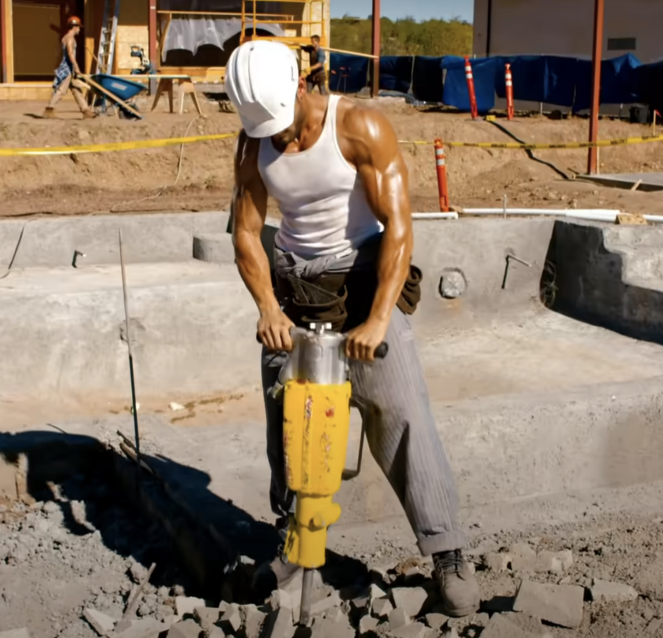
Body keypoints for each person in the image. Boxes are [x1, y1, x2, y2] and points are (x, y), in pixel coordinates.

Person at [224, 40, 480, 618]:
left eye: (281, 123)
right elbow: (244, 232)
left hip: (362, 283)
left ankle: (447, 553)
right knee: (290, 429)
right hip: (294, 293)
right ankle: (295, 541)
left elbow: (398, 226)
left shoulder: (359, 126)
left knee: (402, 414)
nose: (277, 138)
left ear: (299, 85)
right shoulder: (252, 140)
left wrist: (381, 318)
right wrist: (267, 307)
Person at [43, 16, 95, 119]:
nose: (79, 29)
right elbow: (70, 54)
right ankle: (49, 109)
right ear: (75, 27)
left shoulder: (65, 37)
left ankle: (85, 111)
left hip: (69, 68)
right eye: (79, 27)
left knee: (76, 89)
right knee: (61, 89)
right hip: (67, 69)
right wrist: (76, 66)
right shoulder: (70, 38)